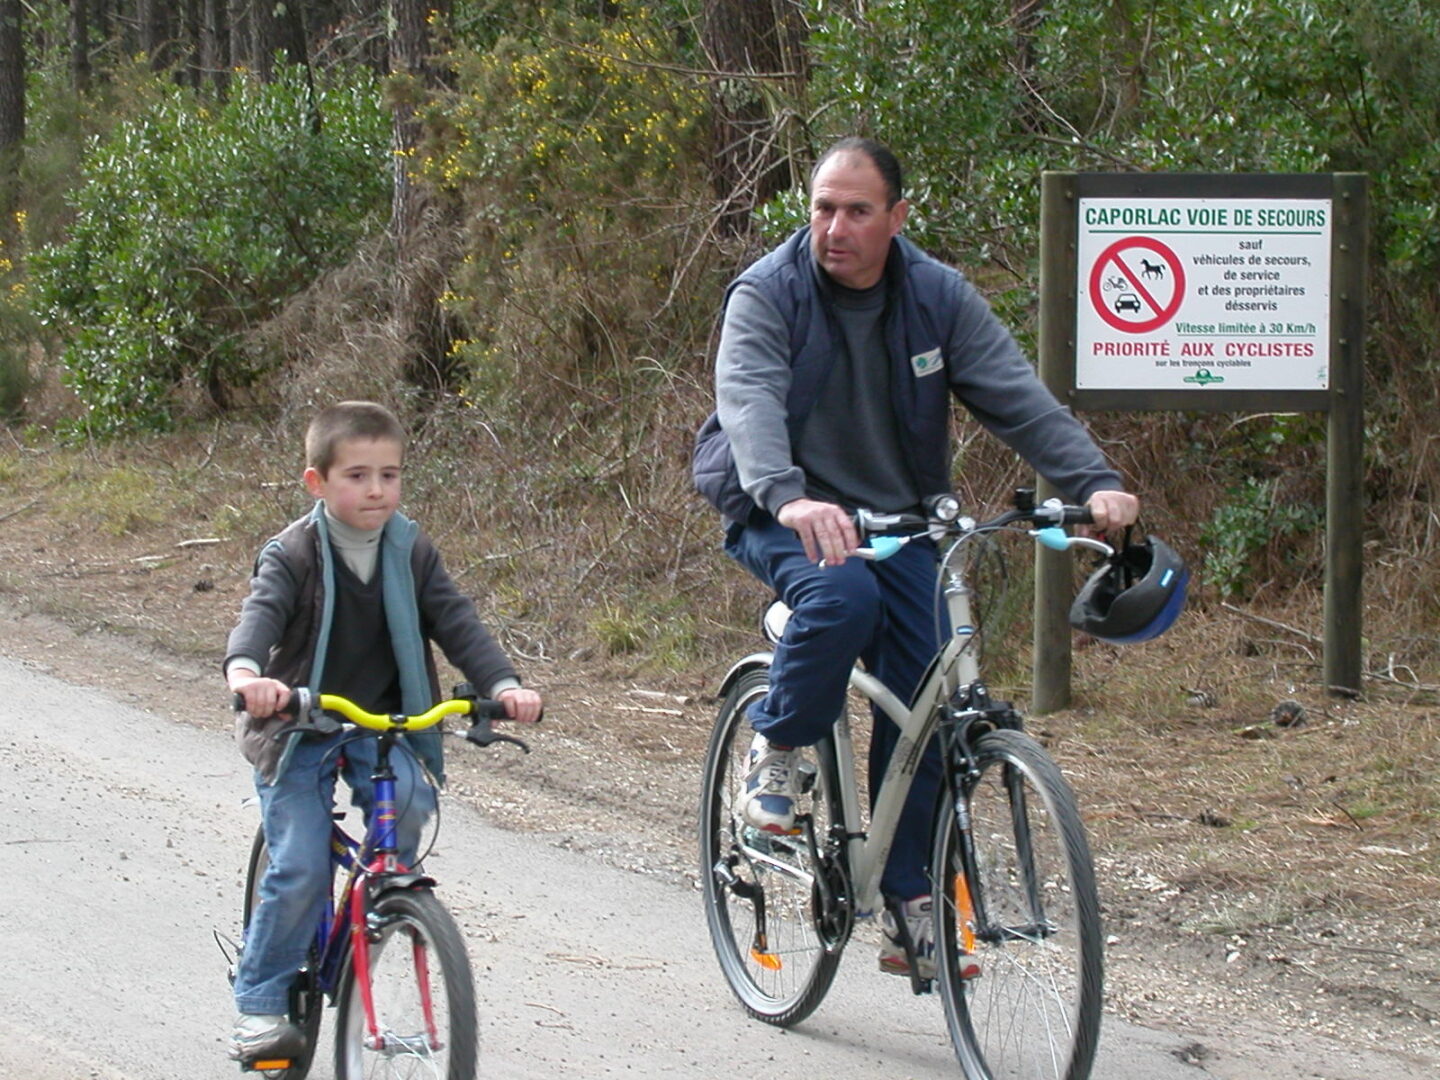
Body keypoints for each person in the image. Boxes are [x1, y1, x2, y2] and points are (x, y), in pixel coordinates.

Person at [693, 137, 1138, 979]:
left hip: (896, 521)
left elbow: (1016, 396)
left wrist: (1095, 481)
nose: (835, 228)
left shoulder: (936, 297)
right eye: (824, 208)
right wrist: (787, 495)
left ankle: (909, 900)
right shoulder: (769, 293)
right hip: (780, 506)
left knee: (932, 692)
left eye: (857, 211)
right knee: (843, 601)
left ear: (897, 217)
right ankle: (778, 745)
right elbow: (748, 398)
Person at [224, 400, 543, 1062]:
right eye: (357, 476)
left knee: (414, 803)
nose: (376, 490)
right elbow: (260, 617)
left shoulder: (410, 549)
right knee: (301, 866)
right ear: (317, 483)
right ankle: (260, 1002)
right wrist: (249, 674)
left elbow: (457, 621)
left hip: (383, 723)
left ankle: (379, 908)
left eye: (389, 475)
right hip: (299, 723)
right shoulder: (294, 553)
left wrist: (504, 685)